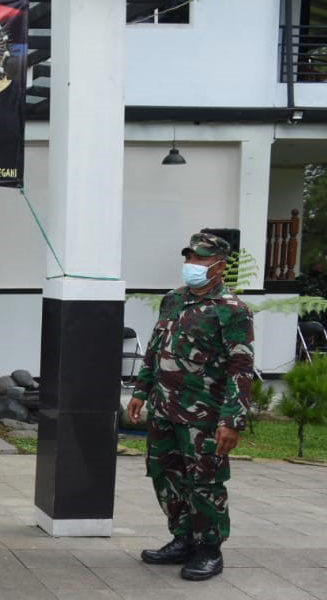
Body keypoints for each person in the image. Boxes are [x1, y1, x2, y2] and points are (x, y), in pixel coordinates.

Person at [128, 232, 254, 582]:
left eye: (200, 258)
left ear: (220, 266)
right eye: (189, 257)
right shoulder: (173, 300)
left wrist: (233, 420)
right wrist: (141, 390)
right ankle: (183, 538)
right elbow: (155, 348)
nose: (191, 264)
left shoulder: (232, 310)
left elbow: (241, 368)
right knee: (164, 473)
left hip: (204, 415)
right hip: (164, 408)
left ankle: (209, 549)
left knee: (205, 482)